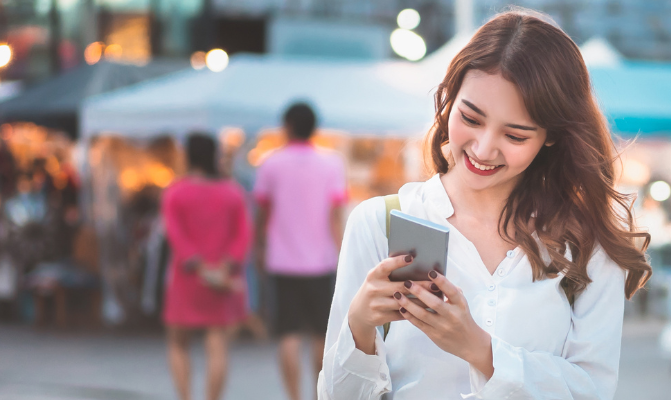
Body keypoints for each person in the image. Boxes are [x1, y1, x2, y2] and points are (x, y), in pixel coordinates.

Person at [319, 9, 652, 399]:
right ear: (449, 96)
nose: (483, 148)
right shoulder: (381, 222)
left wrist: (483, 352)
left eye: (515, 135)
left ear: (550, 137)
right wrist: (358, 327)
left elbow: (593, 391)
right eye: (471, 118)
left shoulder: (586, 242)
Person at [253, 102, 347, 400]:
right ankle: (318, 395)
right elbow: (335, 215)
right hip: (321, 262)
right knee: (321, 335)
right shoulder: (332, 163)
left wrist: (259, 245)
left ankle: (293, 396)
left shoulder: (271, 163)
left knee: (288, 335)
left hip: (282, 262)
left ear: (288, 126)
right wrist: (343, 252)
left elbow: (262, 212)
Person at [162, 134, 251, 400]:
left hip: (188, 277)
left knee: (178, 343)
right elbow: (243, 234)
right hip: (222, 277)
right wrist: (225, 265)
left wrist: (198, 265)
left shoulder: (175, 192)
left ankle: (185, 396)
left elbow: (175, 235)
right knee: (218, 344)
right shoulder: (232, 191)